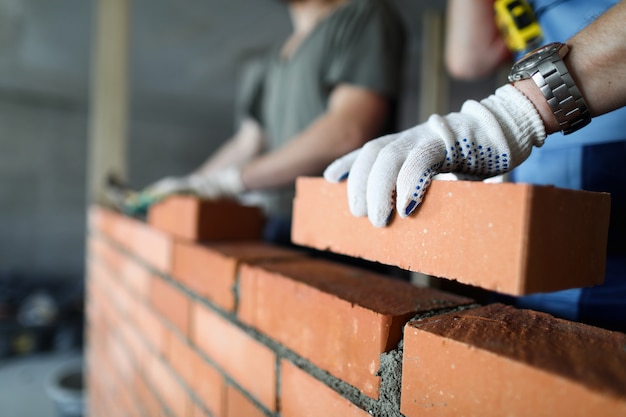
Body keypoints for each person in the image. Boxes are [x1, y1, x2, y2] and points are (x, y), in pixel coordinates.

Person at [324, 0, 626, 331]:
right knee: (550, 324)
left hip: (605, 131)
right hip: (539, 149)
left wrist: (514, 115)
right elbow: (469, 57)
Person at [138, 0, 406, 244]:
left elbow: (347, 130)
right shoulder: (271, 59)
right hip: (280, 224)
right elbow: (248, 142)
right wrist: (195, 183)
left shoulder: (364, 17)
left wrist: (234, 181)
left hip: (345, 229)